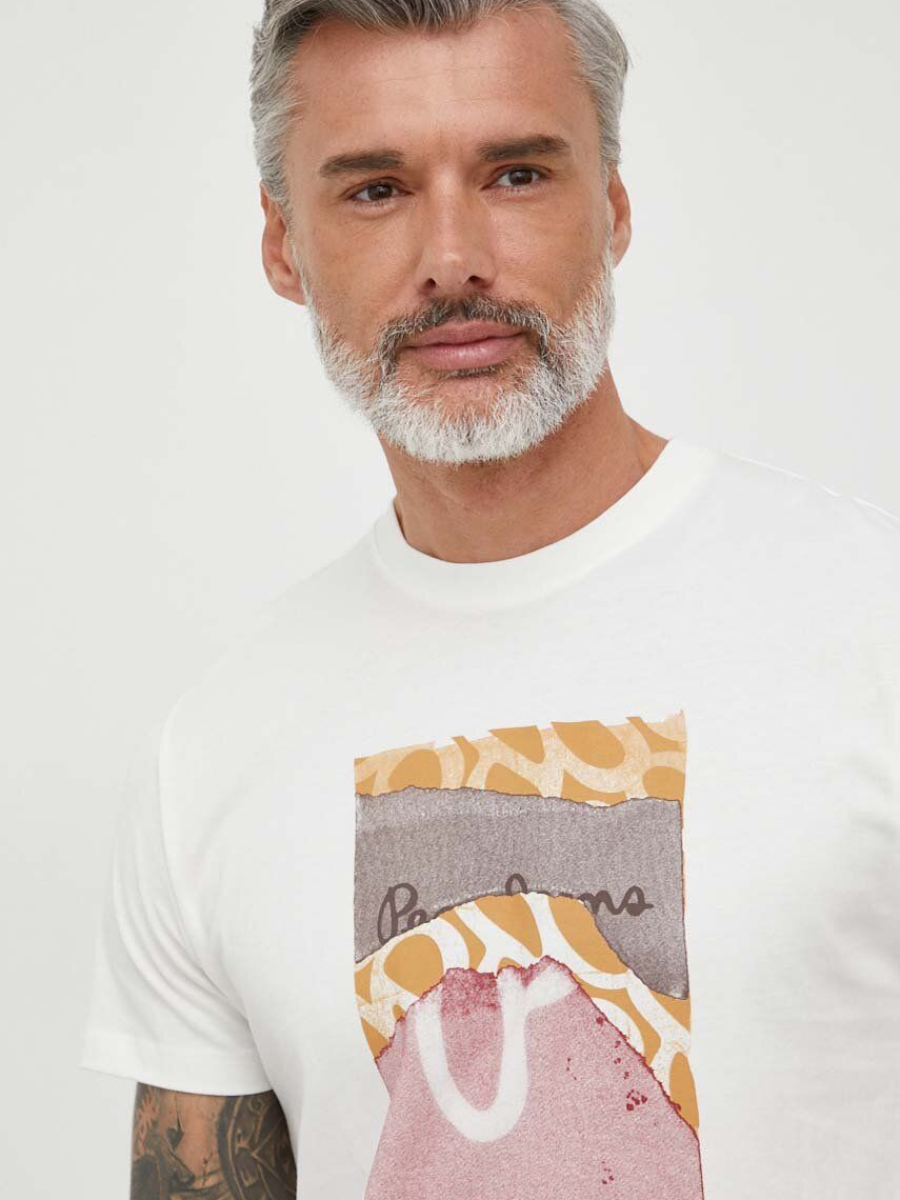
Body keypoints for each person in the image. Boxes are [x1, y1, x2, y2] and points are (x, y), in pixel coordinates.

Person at [78, 0, 900, 1195]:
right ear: (282, 244)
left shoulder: (870, 618)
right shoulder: (209, 755)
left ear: (613, 205)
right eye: (376, 190)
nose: (453, 257)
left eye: (516, 173)